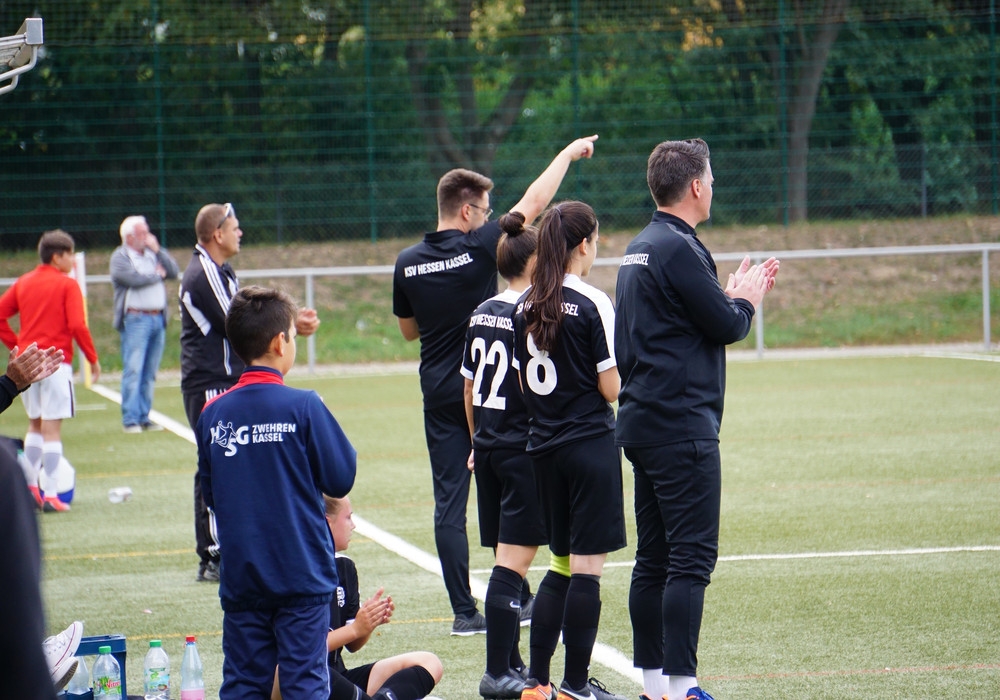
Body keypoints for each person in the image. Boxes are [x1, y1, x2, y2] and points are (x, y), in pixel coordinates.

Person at [393, 136, 599, 635]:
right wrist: (567, 155)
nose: (489, 219)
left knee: (450, 503)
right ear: (466, 212)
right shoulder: (479, 246)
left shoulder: (406, 261)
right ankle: (517, 590)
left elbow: (408, 330)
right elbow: (533, 203)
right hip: (491, 391)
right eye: (484, 211)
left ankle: (465, 612)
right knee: (511, 487)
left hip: (440, 391)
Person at [614, 139, 779, 700]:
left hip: (642, 422)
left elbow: (691, 320)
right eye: (711, 177)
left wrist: (726, 297)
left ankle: (655, 687)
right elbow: (726, 325)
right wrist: (747, 301)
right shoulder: (681, 247)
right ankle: (683, 689)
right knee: (689, 557)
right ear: (696, 187)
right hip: (678, 425)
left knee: (653, 558)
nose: (714, 186)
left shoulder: (641, 245)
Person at [196, 285, 356, 700]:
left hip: (243, 575)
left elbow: (211, 495)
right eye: (293, 335)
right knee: (305, 683)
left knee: (245, 684)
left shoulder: (212, 414)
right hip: (300, 575)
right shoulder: (303, 405)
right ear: (278, 341)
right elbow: (341, 477)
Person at [511, 201, 627, 700]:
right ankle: (577, 685)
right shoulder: (594, 301)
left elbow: (523, 383)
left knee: (558, 565)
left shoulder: (522, 303)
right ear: (584, 244)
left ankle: (538, 683)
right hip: (588, 446)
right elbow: (610, 388)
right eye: (596, 239)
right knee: (586, 570)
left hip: (543, 449)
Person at [180, 202, 320, 582]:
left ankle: (237, 546)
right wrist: (285, 327)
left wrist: (287, 326)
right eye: (235, 227)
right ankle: (212, 553)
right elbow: (237, 324)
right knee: (215, 461)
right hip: (211, 382)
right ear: (216, 234)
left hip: (226, 381)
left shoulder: (222, 270)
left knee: (240, 458)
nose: (240, 232)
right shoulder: (202, 272)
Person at [459, 212, 546, 698]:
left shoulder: (482, 310)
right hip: (520, 449)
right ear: (534, 261)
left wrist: (475, 440)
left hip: (488, 446)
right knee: (511, 566)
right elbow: (529, 384)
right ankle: (497, 671)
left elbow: (468, 385)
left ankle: (510, 661)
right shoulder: (531, 312)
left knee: (505, 557)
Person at [273, 495, 444, 700]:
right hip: (300, 679)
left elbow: (353, 646)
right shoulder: (293, 572)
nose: (353, 526)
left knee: (429, 662)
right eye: (348, 518)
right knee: (297, 666)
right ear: (327, 522)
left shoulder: (345, 568)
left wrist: (368, 622)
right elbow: (302, 650)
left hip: (338, 679)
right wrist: (354, 629)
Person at [0, 229, 101, 513]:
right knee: (52, 429)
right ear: (58, 256)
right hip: (56, 364)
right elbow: (78, 325)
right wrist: (92, 359)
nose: (72, 261)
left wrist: (20, 348)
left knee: (34, 424)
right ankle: (52, 494)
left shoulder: (24, 282)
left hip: (28, 369)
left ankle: (31, 488)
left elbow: (0, 314)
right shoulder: (67, 285)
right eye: (70, 255)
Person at [110, 214, 180, 433]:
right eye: (142, 233)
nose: (147, 237)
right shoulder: (120, 257)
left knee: (149, 372)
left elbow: (173, 271)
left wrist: (158, 250)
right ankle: (130, 419)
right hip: (136, 319)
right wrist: (156, 276)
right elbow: (132, 279)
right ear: (129, 237)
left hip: (157, 317)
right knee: (133, 368)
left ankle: (144, 416)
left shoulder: (152, 254)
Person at [1, 343, 64, 414]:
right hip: (53, 357)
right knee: (50, 417)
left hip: (32, 358)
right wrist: (9, 383)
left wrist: (12, 383)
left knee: (37, 420)